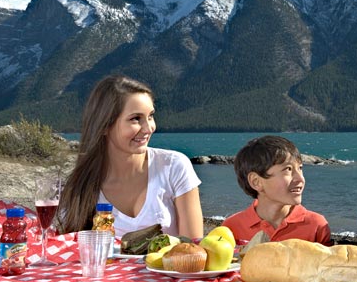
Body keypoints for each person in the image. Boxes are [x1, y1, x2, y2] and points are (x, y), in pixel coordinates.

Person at [57, 75, 204, 239]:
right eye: (136, 119)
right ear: (104, 125)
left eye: (150, 116)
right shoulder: (78, 189)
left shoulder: (174, 166)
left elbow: (193, 250)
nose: (149, 128)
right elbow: (70, 253)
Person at [222, 135, 332, 245]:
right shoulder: (231, 228)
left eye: (300, 168)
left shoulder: (317, 225)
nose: (300, 179)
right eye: (288, 169)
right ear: (256, 182)